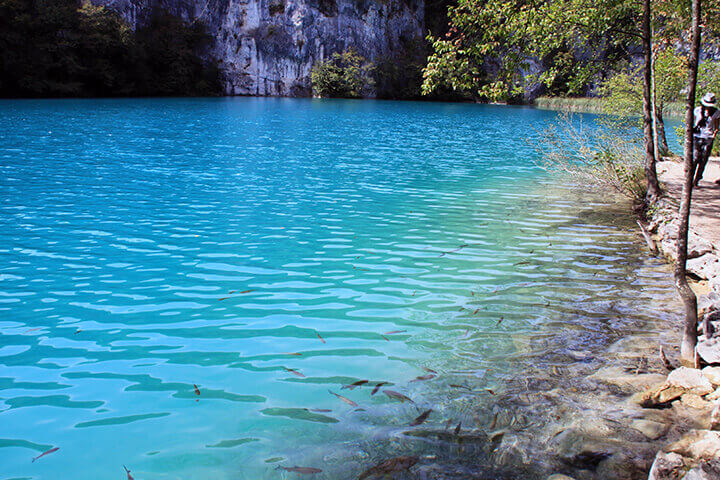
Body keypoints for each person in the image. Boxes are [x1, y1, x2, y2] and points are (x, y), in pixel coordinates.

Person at [692, 92, 720, 187]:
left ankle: (697, 179)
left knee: (703, 159)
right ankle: (690, 178)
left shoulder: (716, 112)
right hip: (697, 136)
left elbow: (716, 125)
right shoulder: (697, 110)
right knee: (695, 158)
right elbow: (693, 122)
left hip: (708, 137)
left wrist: (713, 135)